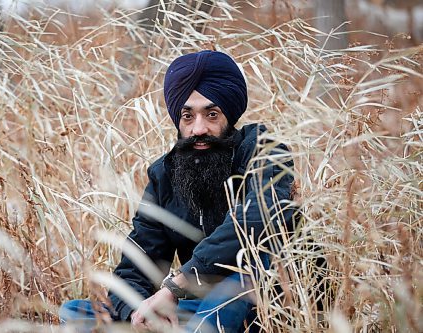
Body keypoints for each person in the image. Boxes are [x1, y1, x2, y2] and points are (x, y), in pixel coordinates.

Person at [59, 50, 297, 332]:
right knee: (75, 312)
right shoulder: (165, 175)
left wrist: (177, 284)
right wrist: (140, 312)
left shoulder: (264, 151)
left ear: (229, 115)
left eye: (211, 114)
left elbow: (256, 220)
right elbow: (136, 266)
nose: (199, 128)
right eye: (187, 116)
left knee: (245, 271)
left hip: (263, 303)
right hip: (195, 307)